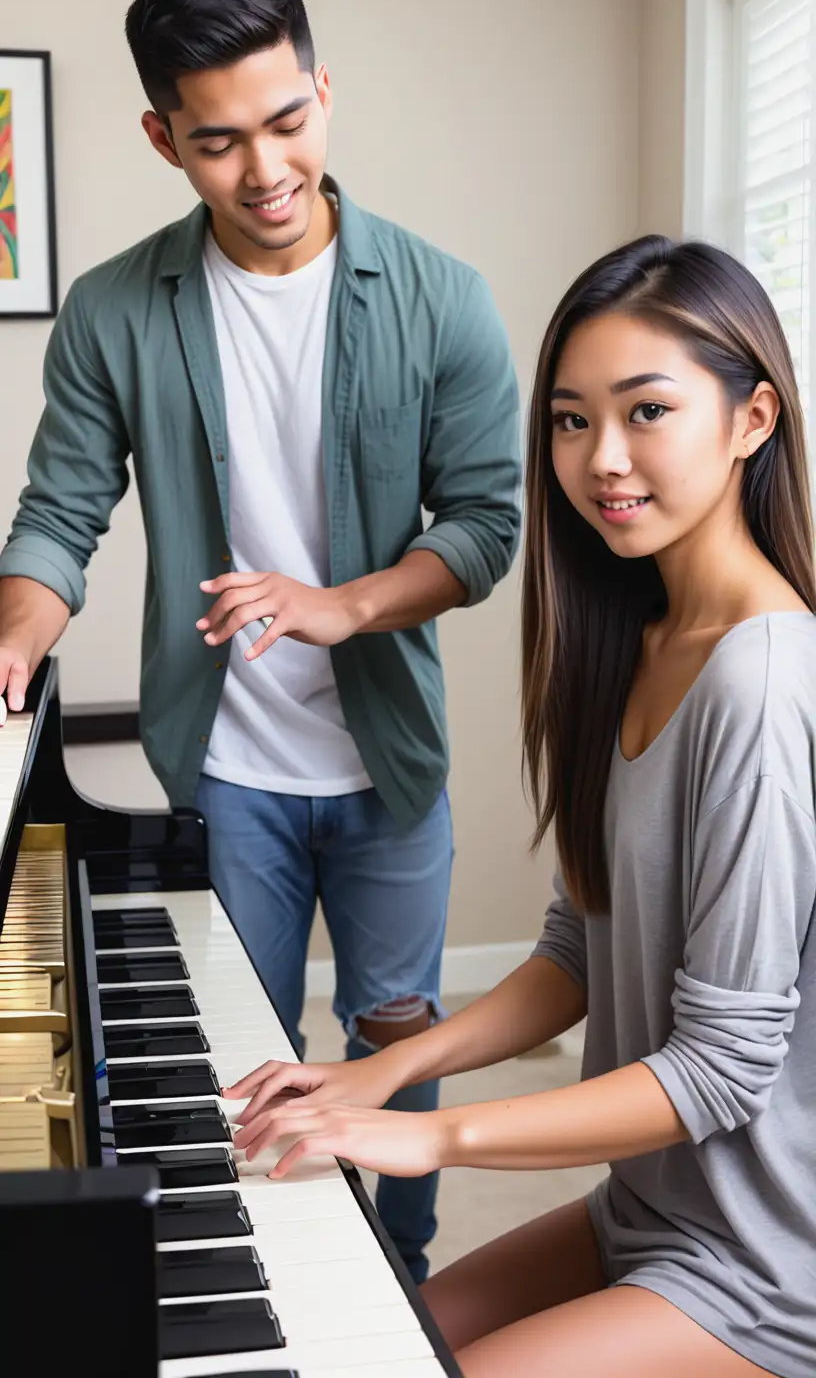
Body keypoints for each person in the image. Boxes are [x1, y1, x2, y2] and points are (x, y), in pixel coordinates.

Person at [0, 0, 521, 1282]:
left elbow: (485, 527)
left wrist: (343, 605)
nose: (266, 169)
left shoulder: (442, 298)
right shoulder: (115, 309)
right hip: (226, 765)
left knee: (395, 1027)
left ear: (323, 91)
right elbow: (60, 515)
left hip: (389, 756)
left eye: (288, 122)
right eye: (219, 141)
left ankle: (397, 1258)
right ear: (162, 135)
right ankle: (286, 1267)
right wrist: (16, 634)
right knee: (244, 1045)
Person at [222, 234, 816, 1377]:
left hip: (766, 1268)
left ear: (752, 419)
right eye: (570, 419)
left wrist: (430, 1132)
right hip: (649, 1212)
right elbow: (574, 952)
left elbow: (721, 1068)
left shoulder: (764, 675)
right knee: (373, 1346)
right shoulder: (633, 642)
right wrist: (381, 1069)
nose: (603, 458)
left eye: (648, 411)